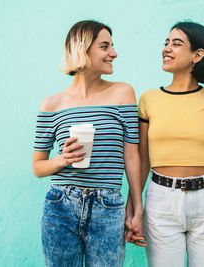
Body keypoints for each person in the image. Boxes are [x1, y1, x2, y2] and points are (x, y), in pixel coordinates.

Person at [126, 21, 204, 266]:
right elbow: (142, 160)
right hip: (161, 201)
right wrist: (135, 209)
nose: (167, 48)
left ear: (198, 55)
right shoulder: (149, 99)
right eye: (166, 43)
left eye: (176, 43)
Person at [32, 20, 144, 267]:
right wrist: (62, 159)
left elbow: (132, 156)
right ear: (82, 49)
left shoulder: (123, 93)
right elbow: (38, 167)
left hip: (108, 206)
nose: (113, 53)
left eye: (112, 46)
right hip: (60, 206)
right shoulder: (51, 105)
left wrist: (137, 209)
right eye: (105, 47)